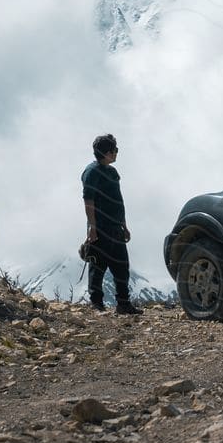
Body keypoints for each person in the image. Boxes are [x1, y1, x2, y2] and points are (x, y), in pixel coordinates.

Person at [82, 133, 139, 315]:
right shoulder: (91, 172)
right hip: (101, 227)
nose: (116, 153)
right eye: (115, 150)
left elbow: (118, 200)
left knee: (122, 266)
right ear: (107, 152)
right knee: (98, 266)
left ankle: (123, 304)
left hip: (116, 227)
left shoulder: (112, 172)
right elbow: (88, 201)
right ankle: (96, 303)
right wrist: (92, 227)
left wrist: (124, 224)